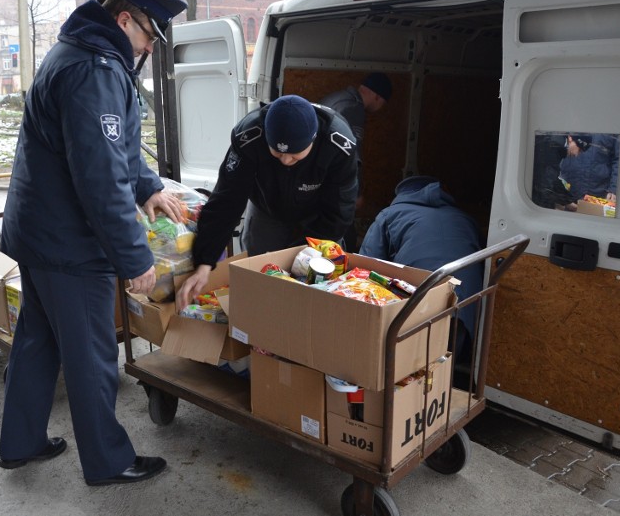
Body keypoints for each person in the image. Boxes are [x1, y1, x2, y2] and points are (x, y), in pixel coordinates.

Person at [0, 0, 187, 486]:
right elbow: (100, 178)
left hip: (39, 235)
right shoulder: (96, 69)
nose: (150, 47)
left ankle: (21, 442)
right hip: (70, 245)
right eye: (149, 35)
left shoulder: (79, 54)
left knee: (38, 340)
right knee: (93, 359)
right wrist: (135, 259)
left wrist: (147, 184)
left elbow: (112, 149)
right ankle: (109, 461)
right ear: (125, 20)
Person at [176, 94, 358, 308]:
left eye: (295, 155)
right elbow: (226, 201)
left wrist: (301, 259)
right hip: (267, 209)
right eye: (277, 154)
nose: (286, 161)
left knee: (313, 285)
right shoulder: (249, 137)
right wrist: (205, 262)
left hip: (318, 216)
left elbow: (339, 211)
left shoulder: (338, 144)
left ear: (314, 139)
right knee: (262, 282)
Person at [359, 176, 484, 367]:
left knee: (408, 368)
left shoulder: (390, 214)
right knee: (442, 366)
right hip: (464, 306)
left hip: (418, 302)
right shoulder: (466, 219)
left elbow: (367, 264)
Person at [320, 72, 393, 251]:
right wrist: (357, 193)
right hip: (331, 180)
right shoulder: (354, 109)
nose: (381, 108)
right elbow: (352, 154)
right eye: (382, 103)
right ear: (377, 96)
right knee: (344, 235)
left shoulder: (336, 98)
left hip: (316, 174)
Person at [558, 132, 619, 205]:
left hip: (599, 193)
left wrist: (614, 189)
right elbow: (556, 145)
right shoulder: (571, 122)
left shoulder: (613, 128)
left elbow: (619, 159)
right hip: (569, 188)